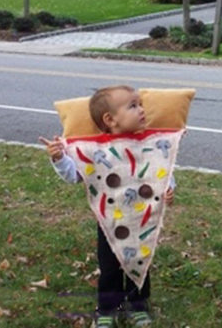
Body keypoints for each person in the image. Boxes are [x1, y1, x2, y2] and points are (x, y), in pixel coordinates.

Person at [40, 85, 175, 328]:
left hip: (142, 219)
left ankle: (138, 304)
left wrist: (168, 188)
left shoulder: (150, 143)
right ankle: (107, 309)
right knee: (110, 268)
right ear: (110, 119)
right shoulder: (94, 150)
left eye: (140, 104)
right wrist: (59, 158)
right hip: (110, 221)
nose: (141, 110)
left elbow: (161, 168)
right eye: (133, 106)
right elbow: (74, 175)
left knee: (141, 261)